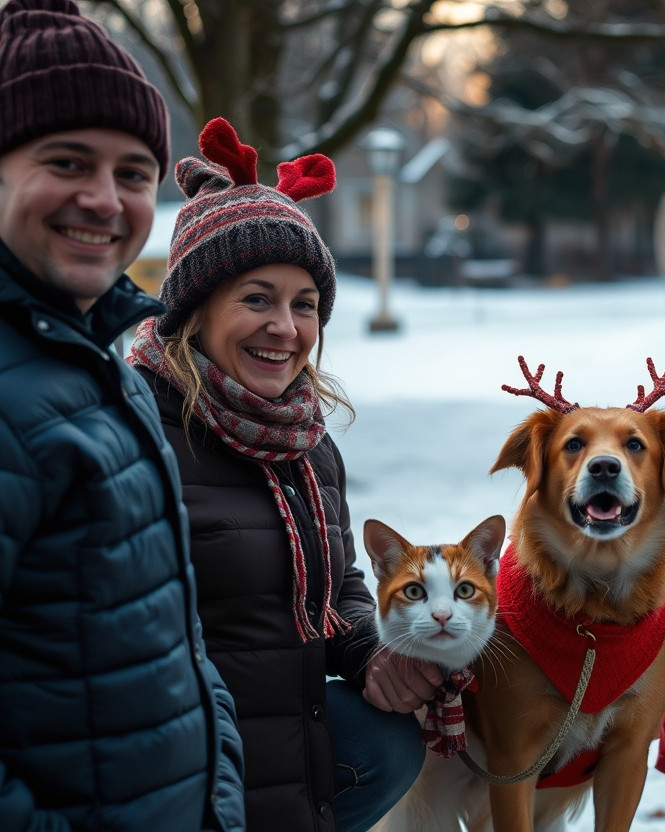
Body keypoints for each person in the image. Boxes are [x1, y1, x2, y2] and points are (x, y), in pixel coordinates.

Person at [127, 117, 431, 832]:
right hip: (185, 787)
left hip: (292, 774)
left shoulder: (305, 441)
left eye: (305, 305)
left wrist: (371, 653)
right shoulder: (139, 431)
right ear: (194, 312)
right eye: (256, 299)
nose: (286, 329)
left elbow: (338, 589)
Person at [0, 1, 247, 828]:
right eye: (67, 162)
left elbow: (171, 633)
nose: (105, 200)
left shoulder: (100, 363)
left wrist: (217, 792)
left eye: (134, 173)